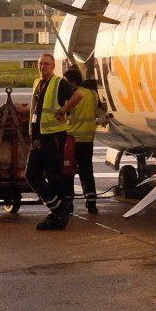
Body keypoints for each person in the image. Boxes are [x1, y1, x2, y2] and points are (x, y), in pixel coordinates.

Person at [27, 52, 74, 230]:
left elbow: (78, 96)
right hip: (39, 137)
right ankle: (59, 210)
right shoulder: (38, 83)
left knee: (52, 177)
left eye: (46, 64)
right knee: (33, 175)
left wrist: (63, 110)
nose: (42, 66)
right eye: (40, 64)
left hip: (53, 137)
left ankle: (58, 213)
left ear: (53, 66)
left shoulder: (59, 83)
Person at [61, 63, 102, 214]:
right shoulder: (93, 94)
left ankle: (68, 203)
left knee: (68, 172)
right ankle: (91, 202)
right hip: (88, 139)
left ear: (73, 82)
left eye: (66, 82)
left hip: (71, 139)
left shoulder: (71, 96)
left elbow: (63, 114)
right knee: (87, 171)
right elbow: (98, 110)